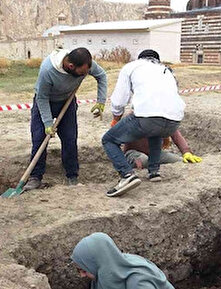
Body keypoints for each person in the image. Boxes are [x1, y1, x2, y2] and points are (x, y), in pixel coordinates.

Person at [102, 49, 185, 197]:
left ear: (139, 59)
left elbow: (119, 100)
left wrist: (116, 118)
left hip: (147, 117)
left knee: (108, 140)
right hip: (175, 120)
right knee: (155, 131)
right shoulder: (167, 71)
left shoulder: (131, 67)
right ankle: (154, 172)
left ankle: (127, 175)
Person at [23, 47, 107, 190]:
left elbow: (101, 75)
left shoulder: (86, 64)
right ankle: (35, 177)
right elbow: (42, 98)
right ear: (70, 66)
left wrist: (101, 101)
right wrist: (48, 123)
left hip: (67, 102)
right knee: (39, 139)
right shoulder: (48, 70)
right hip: (45, 101)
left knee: (70, 138)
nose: (85, 74)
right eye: (81, 73)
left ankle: (72, 175)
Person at [123, 129, 202, 170]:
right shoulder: (133, 117)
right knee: (143, 160)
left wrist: (186, 152)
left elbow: (175, 134)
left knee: (180, 161)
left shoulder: (162, 117)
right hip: (133, 152)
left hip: (156, 152)